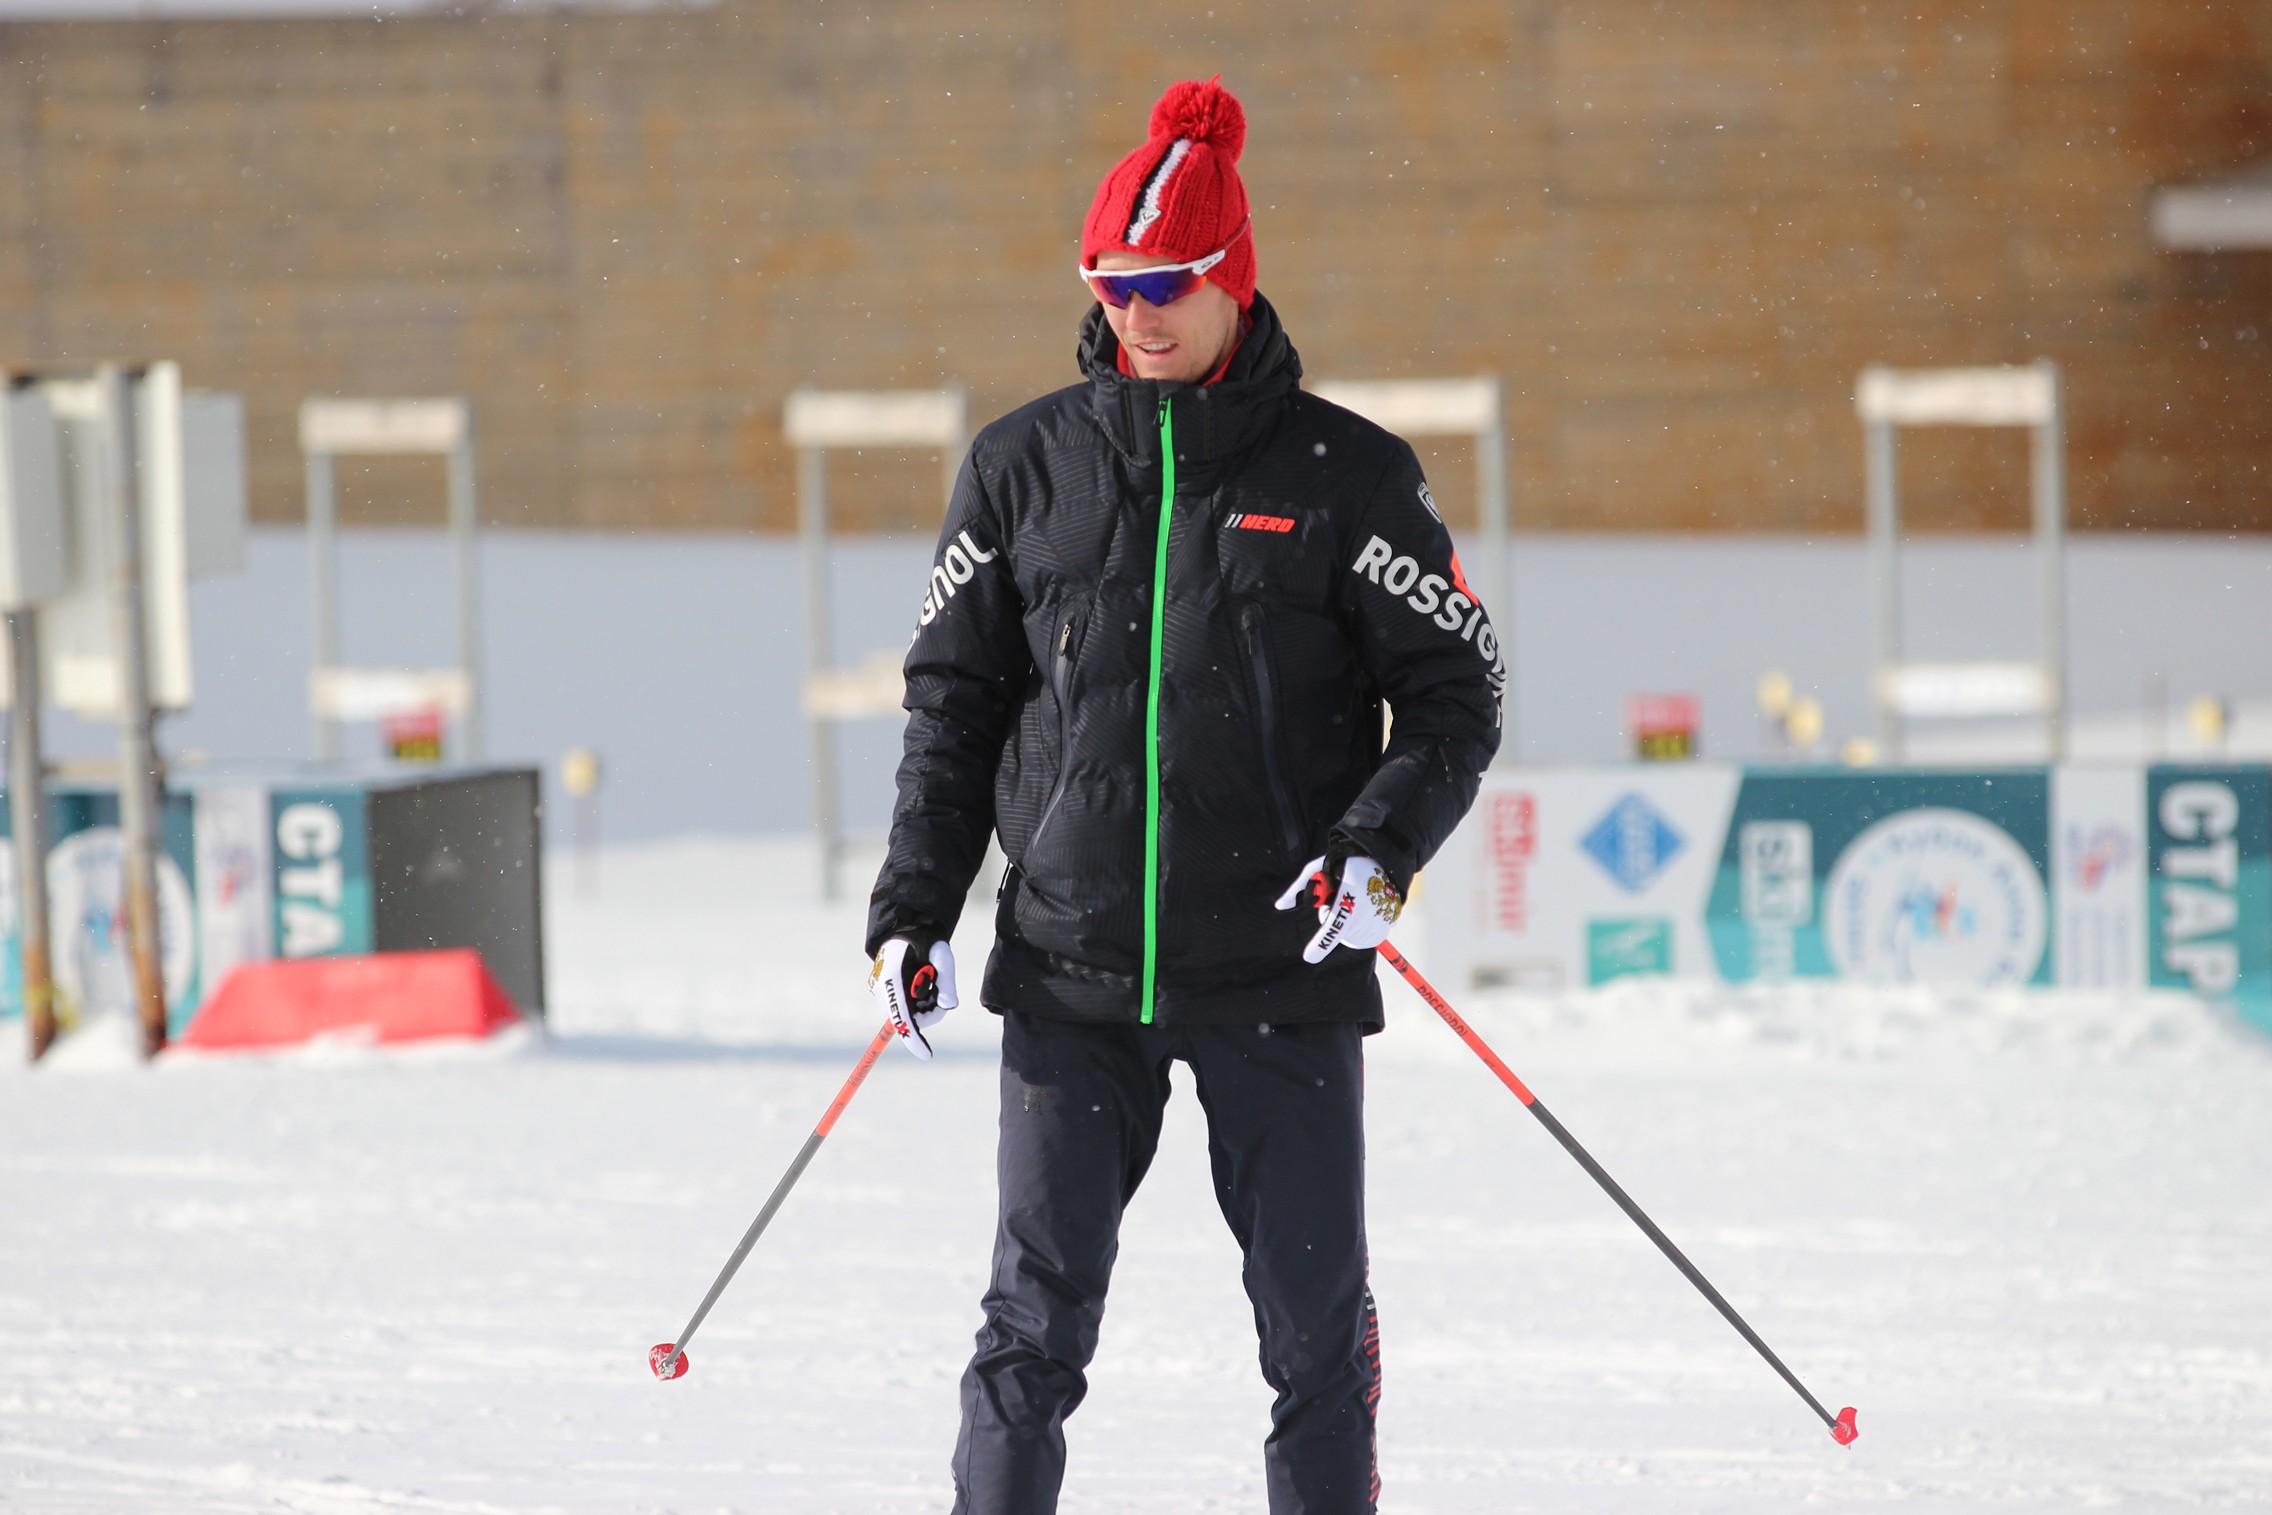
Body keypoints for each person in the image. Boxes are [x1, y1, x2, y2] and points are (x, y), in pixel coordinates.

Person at [865, 76, 1505, 1515]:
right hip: (1071, 972)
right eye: (1113, 284)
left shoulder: (1348, 476)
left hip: (1279, 971)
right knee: (1029, 1335)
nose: (1136, 312)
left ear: (1234, 279)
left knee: (1313, 1343)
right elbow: (953, 704)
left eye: (1167, 283)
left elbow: (1459, 692)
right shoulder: (1025, 468)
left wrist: (1377, 848)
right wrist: (913, 907)